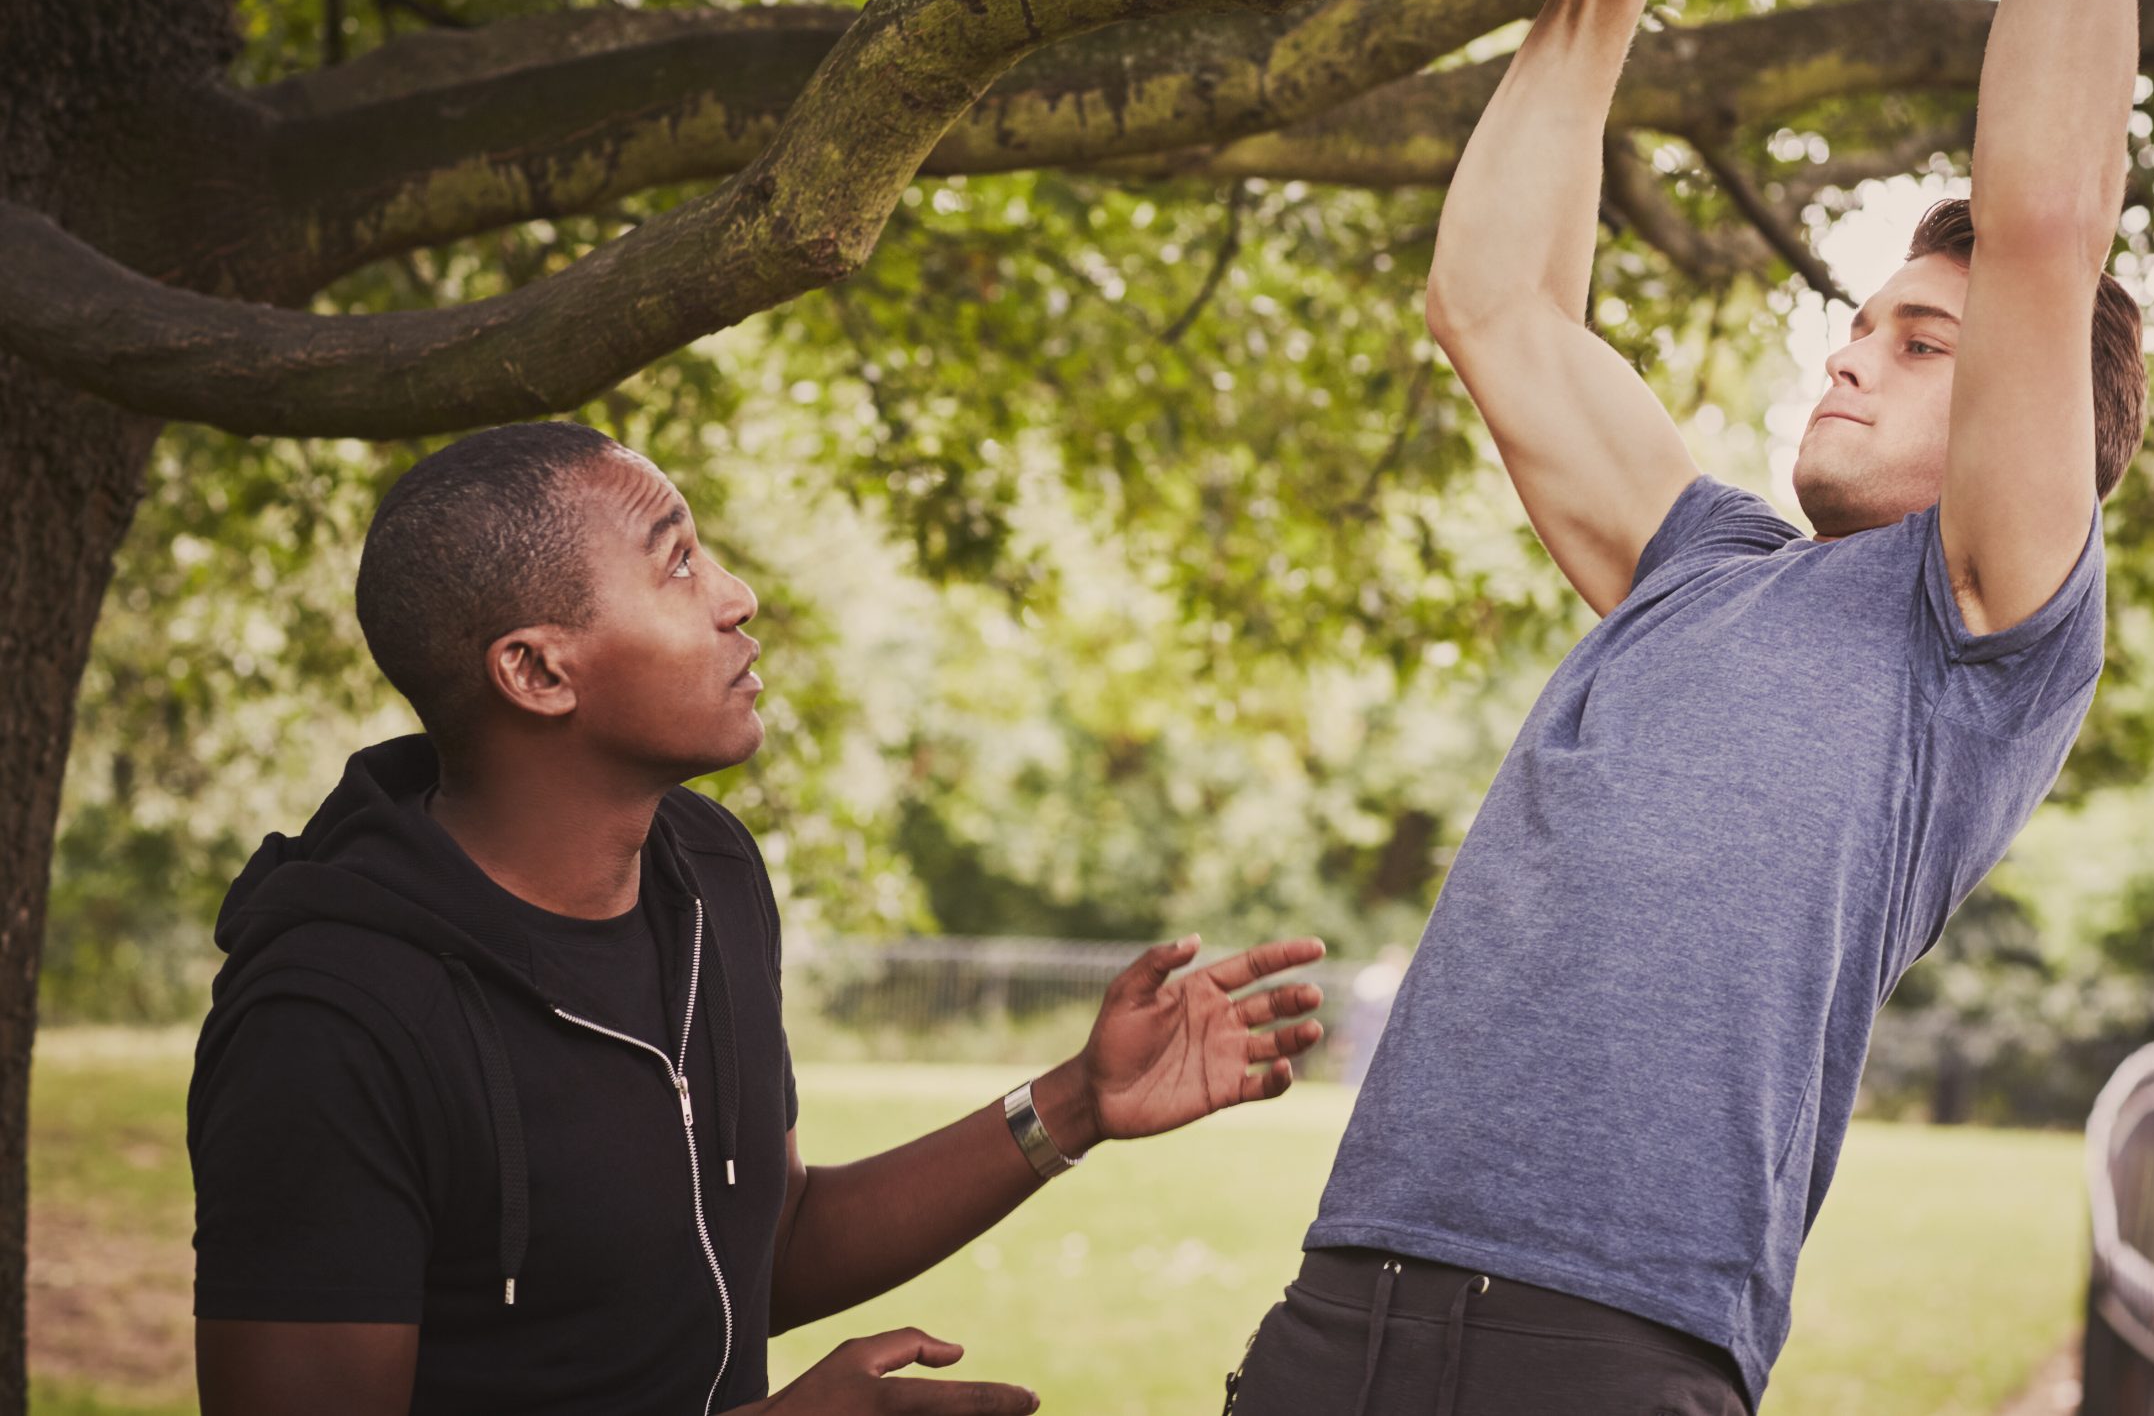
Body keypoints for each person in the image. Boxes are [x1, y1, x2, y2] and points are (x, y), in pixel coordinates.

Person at [1226, 0, 2147, 1416]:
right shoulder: (1694, 564)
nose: (1855, 351)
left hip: (1612, 1347)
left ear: (2032, 414)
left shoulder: (1987, 638)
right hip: (1342, 1304)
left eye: (1927, 342)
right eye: (1860, 323)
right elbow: (1495, 305)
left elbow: (2048, 227)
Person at [188, 420, 1329, 1416]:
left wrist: (1076, 1102)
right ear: (536, 671)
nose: (737, 595)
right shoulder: (331, 1024)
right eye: (677, 564)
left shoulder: (709, 874)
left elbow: (760, 1246)